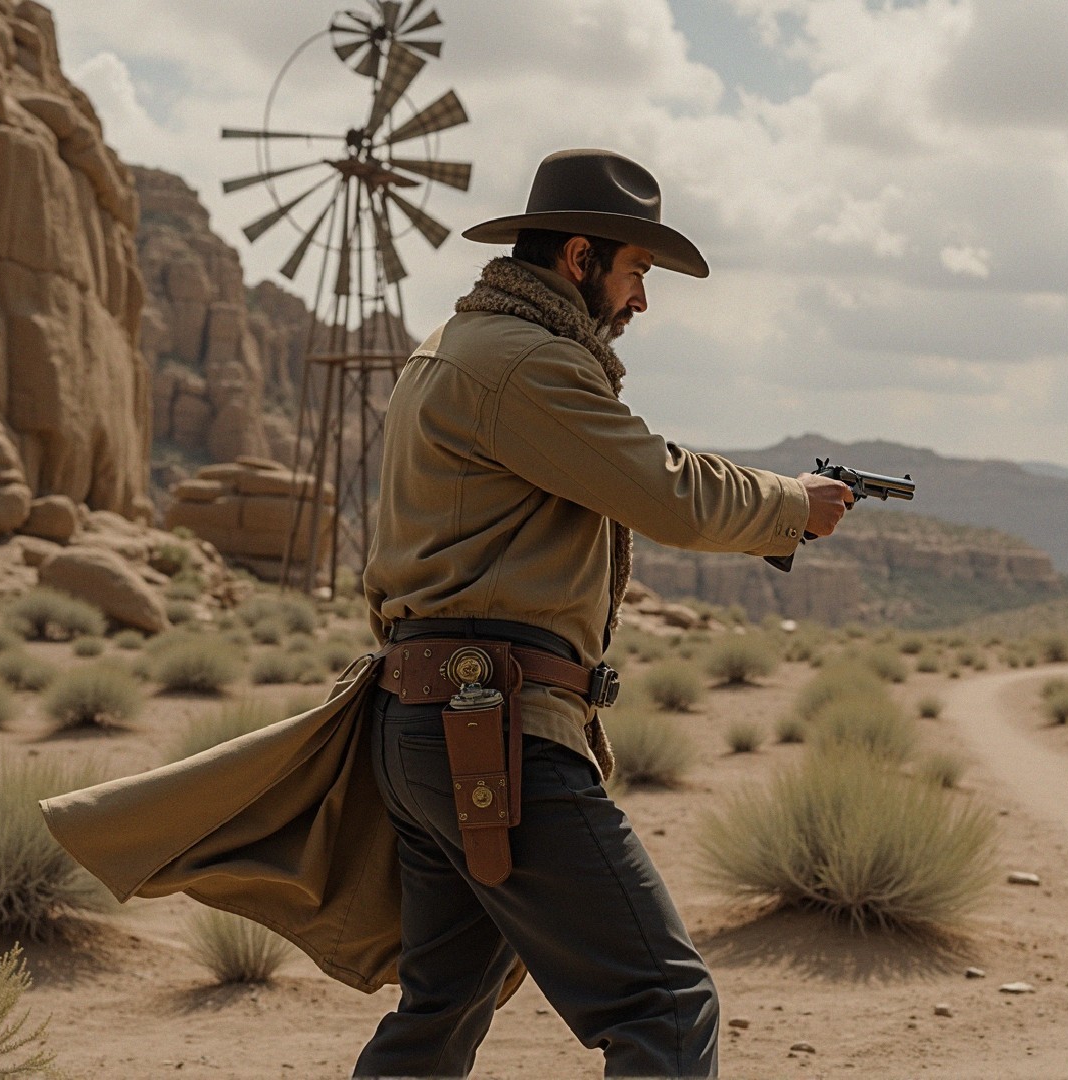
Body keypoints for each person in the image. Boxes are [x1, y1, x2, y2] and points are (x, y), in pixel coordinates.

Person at [348, 148, 856, 1078]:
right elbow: (661, 489)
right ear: (578, 258)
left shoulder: (457, 349)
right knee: (663, 1006)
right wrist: (790, 503)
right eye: (636, 273)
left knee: (440, 1012)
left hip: (432, 723)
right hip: (490, 731)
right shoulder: (525, 362)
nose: (642, 302)